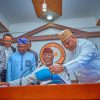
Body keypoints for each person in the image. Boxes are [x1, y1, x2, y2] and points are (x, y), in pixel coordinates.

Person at [3, 47, 71, 86]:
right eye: (45, 55)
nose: (47, 57)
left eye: (49, 55)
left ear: (53, 57)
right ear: (42, 58)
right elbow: (26, 79)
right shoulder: (39, 69)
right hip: (42, 93)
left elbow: (68, 83)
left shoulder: (60, 67)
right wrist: (8, 83)